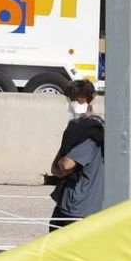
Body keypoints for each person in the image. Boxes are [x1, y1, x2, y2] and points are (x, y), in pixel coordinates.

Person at [49, 79, 105, 232]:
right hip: (69, 202)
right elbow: (57, 167)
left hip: (80, 207)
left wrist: (62, 168)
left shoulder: (93, 131)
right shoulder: (75, 127)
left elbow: (64, 164)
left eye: (76, 99)